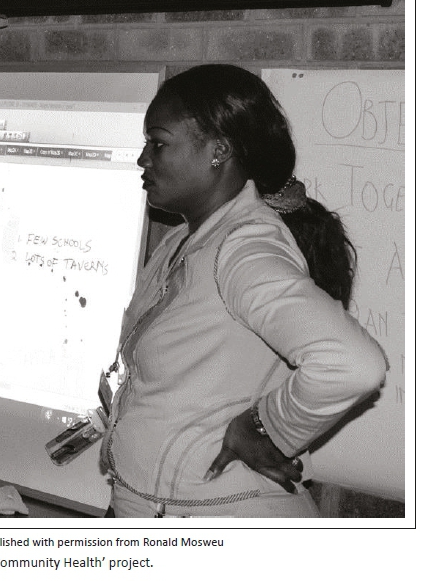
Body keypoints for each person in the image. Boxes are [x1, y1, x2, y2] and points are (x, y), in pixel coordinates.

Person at [100, 64, 387, 518]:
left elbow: (353, 363)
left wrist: (264, 427)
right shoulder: (182, 240)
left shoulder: (245, 248)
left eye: (158, 143)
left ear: (219, 151)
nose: (143, 159)